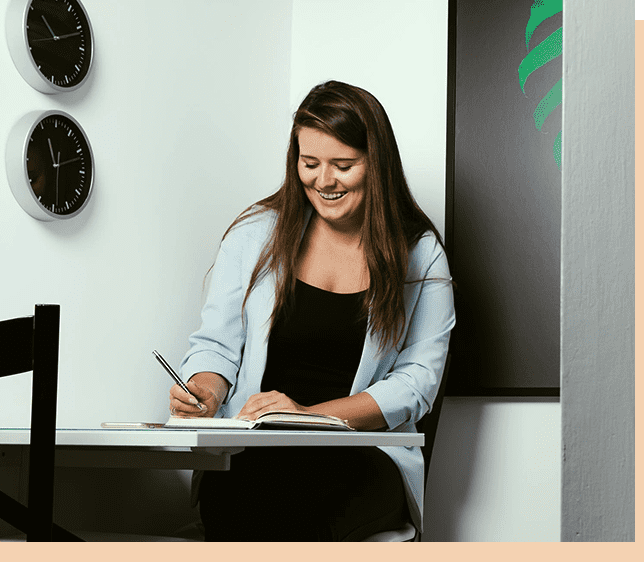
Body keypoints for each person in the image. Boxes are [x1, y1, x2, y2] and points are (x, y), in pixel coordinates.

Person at [169, 81, 455, 541]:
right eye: (310, 163)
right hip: (255, 451)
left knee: (306, 496)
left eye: (343, 165)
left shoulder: (420, 253)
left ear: (377, 163)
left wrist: (307, 415)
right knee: (242, 493)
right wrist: (204, 391)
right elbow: (216, 346)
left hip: (362, 455)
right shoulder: (254, 234)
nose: (324, 181)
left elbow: (417, 383)